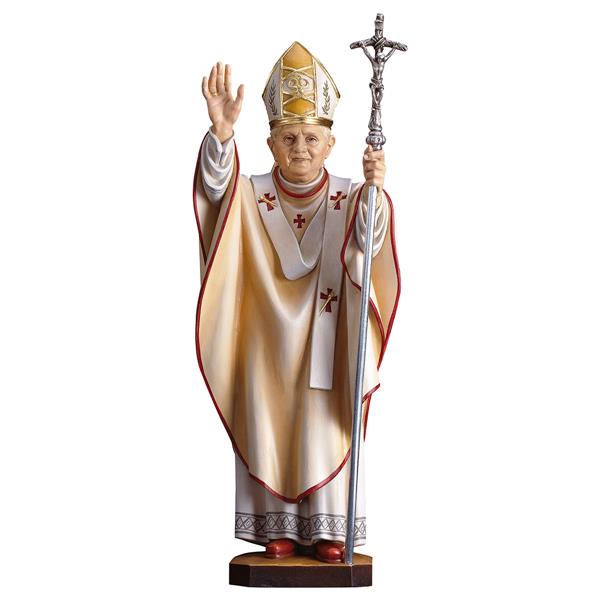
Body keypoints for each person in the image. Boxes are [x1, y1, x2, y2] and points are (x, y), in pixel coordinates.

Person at [193, 42, 400, 563]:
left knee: (322, 425)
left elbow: (369, 245)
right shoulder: (249, 195)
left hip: (326, 344)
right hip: (264, 345)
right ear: (270, 142)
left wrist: (376, 191)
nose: (300, 148)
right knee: (268, 424)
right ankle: (275, 527)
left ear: (331, 144)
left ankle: (331, 529)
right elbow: (214, 194)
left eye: (311, 137)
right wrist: (221, 136)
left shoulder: (351, 196)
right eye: (288, 137)